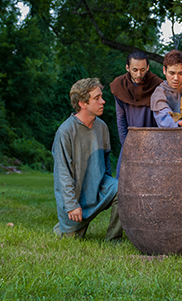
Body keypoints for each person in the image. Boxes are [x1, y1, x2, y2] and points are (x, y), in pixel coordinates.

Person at [52, 78, 122, 240]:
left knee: (122, 189)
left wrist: (108, 189)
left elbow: (105, 165)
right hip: (75, 198)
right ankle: (63, 227)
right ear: (82, 103)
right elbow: (62, 174)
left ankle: (113, 239)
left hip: (98, 187)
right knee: (72, 239)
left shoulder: (102, 127)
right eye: (97, 98)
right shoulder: (66, 131)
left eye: (101, 96)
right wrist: (71, 206)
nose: (103, 101)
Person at [110, 51, 163, 178]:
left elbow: (161, 118)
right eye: (134, 70)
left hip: (153, 142)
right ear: (127, 67)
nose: (139, 74)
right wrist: (127, 146)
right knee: (124, 182)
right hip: (130, 141)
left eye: (142, 70)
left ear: (148, 68)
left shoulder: (158, 85)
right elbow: (121, 119)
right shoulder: (119, 85)